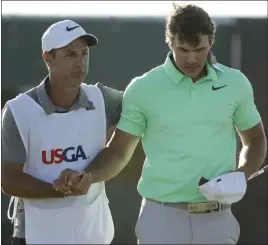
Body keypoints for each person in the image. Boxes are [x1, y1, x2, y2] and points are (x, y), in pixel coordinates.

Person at [54, 4, 267, 244]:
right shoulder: (143, 88)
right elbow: (119, 151)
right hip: (161, 219)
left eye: (200, 49)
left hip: (217, 220)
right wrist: (89, 176)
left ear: (212, 42)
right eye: (183, 49)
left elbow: (255, 140)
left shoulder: (235, 83)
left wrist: (242, 173)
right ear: (170, 42)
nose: (192, 58)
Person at [1, 19, 123, 244]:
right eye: (70, 54)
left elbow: (143, 107)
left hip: (93, 235)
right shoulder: (18, 111)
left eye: (84, 54)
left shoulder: (104, 99)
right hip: (34, 236)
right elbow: (8, 179)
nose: (80, 63)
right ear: (48, 58)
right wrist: (57, 189)